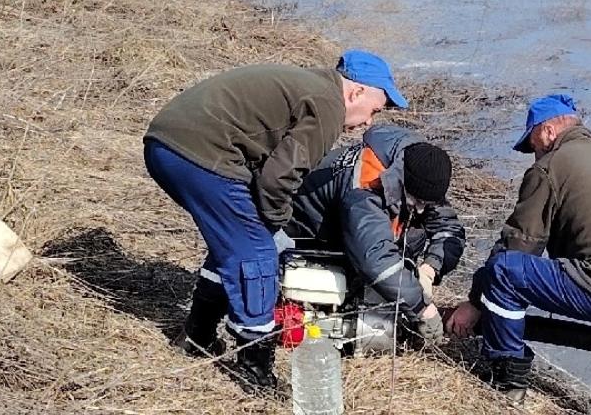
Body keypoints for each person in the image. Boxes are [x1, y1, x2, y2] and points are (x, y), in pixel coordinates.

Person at [142, 50, 407, 392]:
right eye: (373, 110)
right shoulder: (328, 105)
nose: (368, 123)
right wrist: (277, 226)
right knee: (257, 252)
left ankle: (197, 335)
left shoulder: (312, 86)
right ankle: (254, 365)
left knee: (234, 243)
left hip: (170, 142)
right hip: (197, 151)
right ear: (355, 92)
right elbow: (278, 179)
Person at [445, 94, 591, 415]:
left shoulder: (551, 166)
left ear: (546, 132)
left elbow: (520, 243)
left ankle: (508, 379)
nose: (533, 156)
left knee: (504, 270)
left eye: (531, 146)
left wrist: (476, 303)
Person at [284, 124, 465, 346]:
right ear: (404, 182)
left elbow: (449, 229)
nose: (420, 209)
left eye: (426, 204)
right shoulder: (365, 185)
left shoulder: (420, 168)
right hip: (315, 236)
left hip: (356, 233)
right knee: (370, 273)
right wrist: (421, 309)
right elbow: (375, 258)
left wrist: (429, 269)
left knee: (414, 235)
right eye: (417, 201)